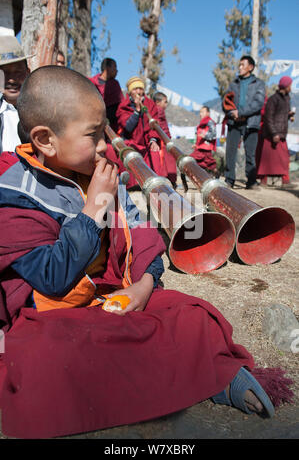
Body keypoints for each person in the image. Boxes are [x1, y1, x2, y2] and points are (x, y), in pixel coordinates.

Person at [0, 66, 277, 439]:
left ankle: (216, 376)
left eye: (104, 132)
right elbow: (51, 277)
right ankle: (198, 373)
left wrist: (143, 288)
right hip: (54, 316)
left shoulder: (100, 173)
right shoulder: (15, 190)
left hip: (116, 300)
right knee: (43, 358)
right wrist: (94, 208)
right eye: (93, 134)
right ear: (46, 140)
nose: (104, 145)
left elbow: (145, 240)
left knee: (193, 316)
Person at [222, 55, 266, 190]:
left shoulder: (259, 84)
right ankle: (229, 180)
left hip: (251, 122)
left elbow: (258, 103)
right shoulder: (233, 84)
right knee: (230, 151)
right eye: (239, 65)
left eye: (242, 65)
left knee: (250, 153)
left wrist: (241, 113)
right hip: (234, 122)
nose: (239, 67)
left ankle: (251, 181)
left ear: (250, 67)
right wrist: (232, 113)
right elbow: (225, 102)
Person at [116, 76, 165, 188]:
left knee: (155, 150)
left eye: (140, 89)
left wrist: (153, 140)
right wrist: (137, 111)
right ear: (130, 92)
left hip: (146, 143)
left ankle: (154, 182)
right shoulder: (124, 106)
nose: (138, 92)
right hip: (130, 141)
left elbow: (154, 124)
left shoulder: (150, 104)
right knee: (129, 152)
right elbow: (127, 127)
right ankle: (133, 184)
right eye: (135, 89)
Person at [256, 76, 296, 188]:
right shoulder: (273, 99)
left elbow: (281, 115)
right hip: (271, 134)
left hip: (282, 133)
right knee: (267, 160)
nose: (290, 87)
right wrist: (274, 133)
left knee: (284, 158)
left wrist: (289, 115)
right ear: (285, 86)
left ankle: (285, 181)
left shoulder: (287, 99)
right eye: (290, 85)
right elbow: (268, 117)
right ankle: (263, 181)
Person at [0, 35, 32, 153]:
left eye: (18, 72)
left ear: (28, 73)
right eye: (5, 73)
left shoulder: (41, 111)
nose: (12, 80)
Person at [90, 58, 123, 132]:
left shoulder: (115, 84)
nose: (117, 70)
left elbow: (120, 106)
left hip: (112, 126)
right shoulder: (91, 83)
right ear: (107, 68)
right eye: (115, 67)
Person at [152, 91, 177, 187]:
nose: (166, 104)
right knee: (167, 160)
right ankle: (171, 180)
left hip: (163, 139)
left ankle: (167, 179)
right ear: (158, 102)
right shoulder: (159, 110)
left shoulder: (156, 110)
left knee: (166, 161)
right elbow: (160, 126)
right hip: (163, 139)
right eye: (165, 102)